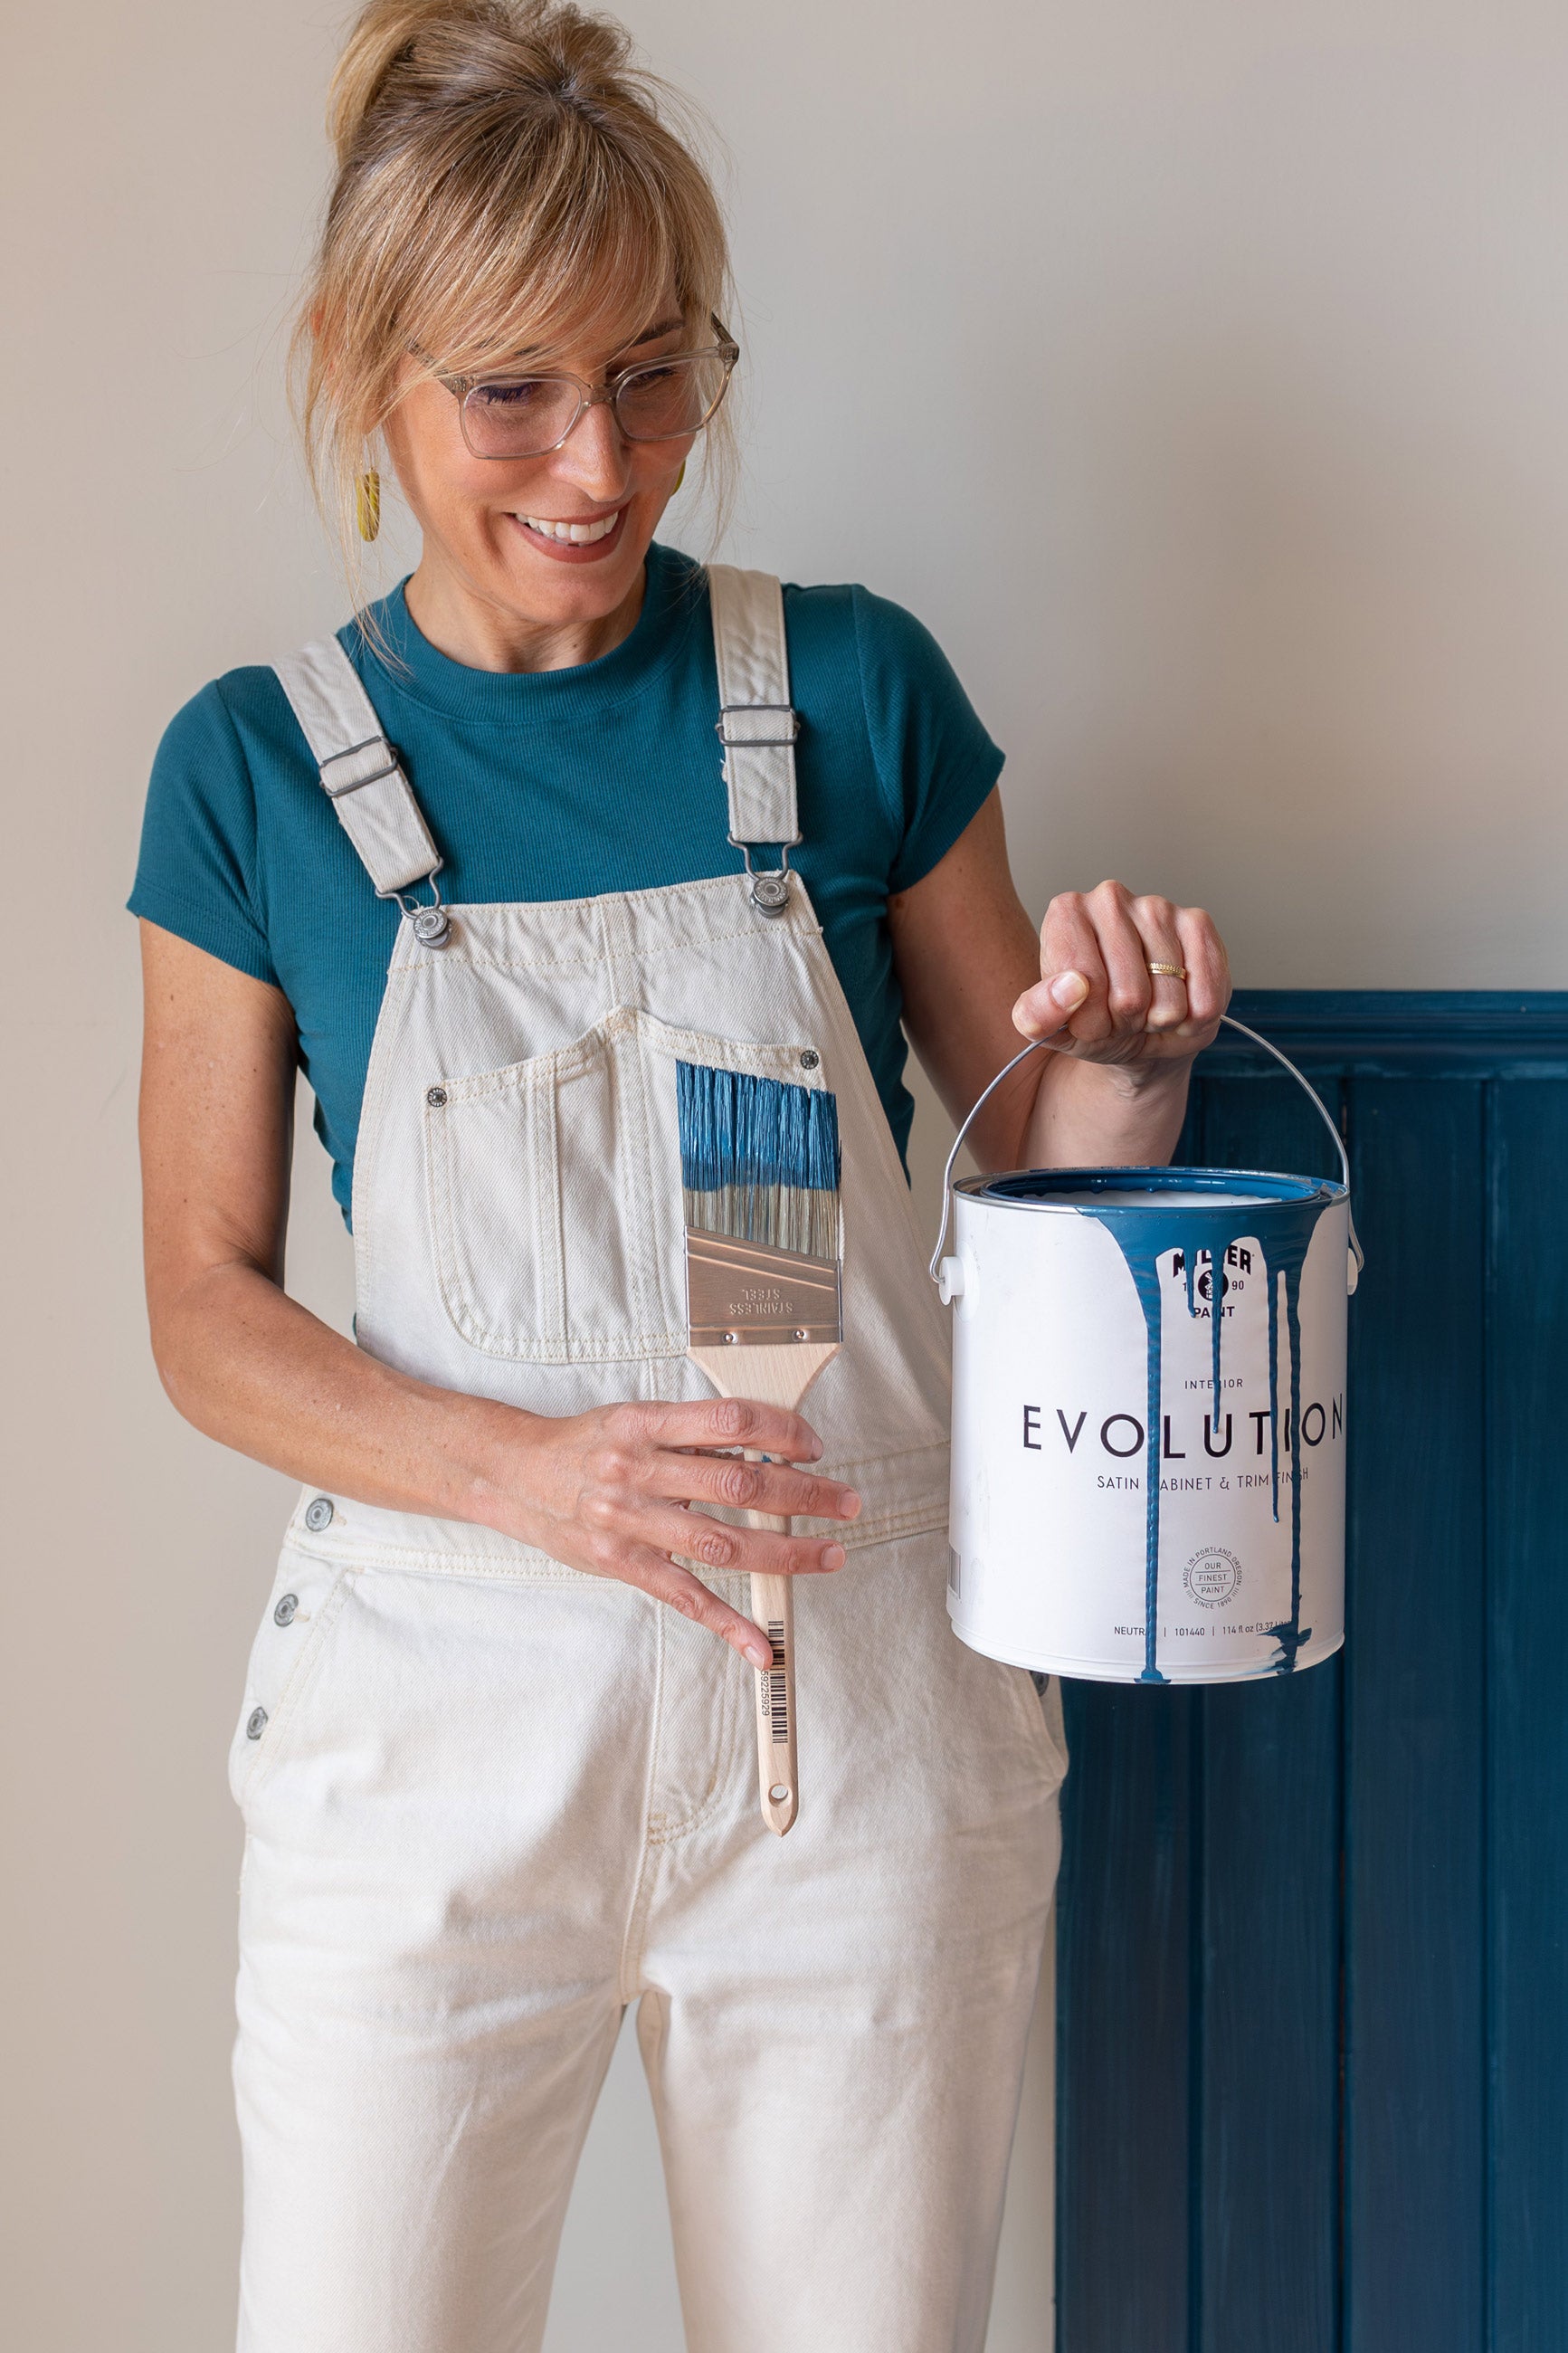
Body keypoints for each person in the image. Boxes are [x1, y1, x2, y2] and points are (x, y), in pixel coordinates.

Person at [131, 4, 1231, 2347]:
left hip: (866, 1755)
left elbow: (1029, 1188)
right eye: (513, 386)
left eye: (653, 373)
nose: (600, 457)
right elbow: (203, 1311)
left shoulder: (853, 696)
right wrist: (527, 1479)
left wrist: (1121, 1076)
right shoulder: (252, 778)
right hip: (432, 1751)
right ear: (366, 363)